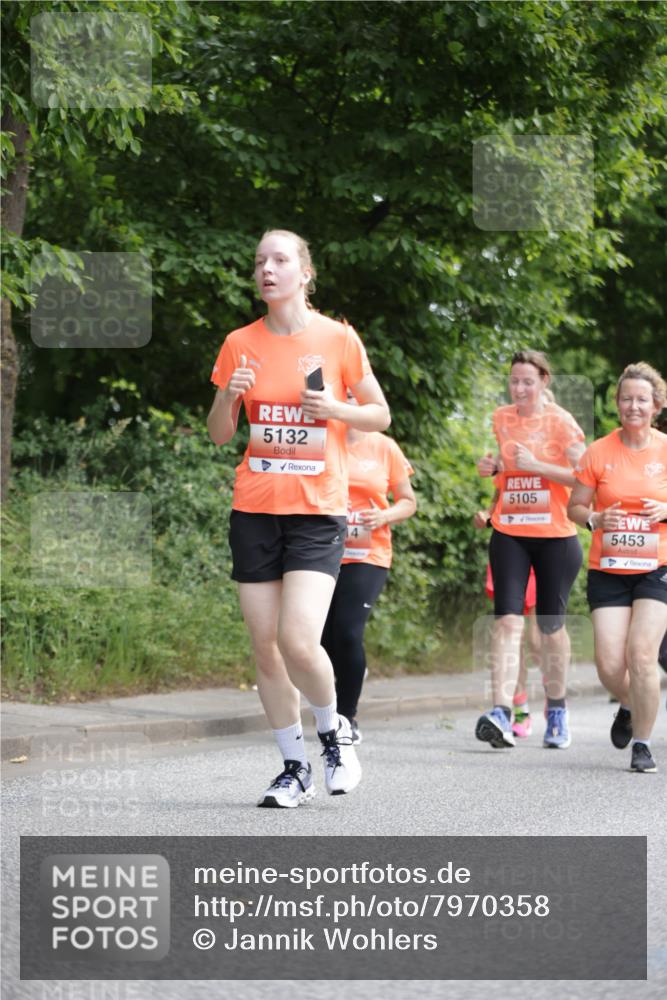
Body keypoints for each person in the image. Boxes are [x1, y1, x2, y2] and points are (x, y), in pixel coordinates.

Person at [207, 229, 390, 807]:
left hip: (316, 512)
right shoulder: (239, 343)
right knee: (265, 647)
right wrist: (227, 398)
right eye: (260, 259)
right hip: (256, 509)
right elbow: (219, 435)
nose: (267, 268)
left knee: (297, 639)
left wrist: (335, 408)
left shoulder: (337, 339)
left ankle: (335, 734)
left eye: (280, 259)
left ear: (304, 273)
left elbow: (379, 413)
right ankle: (293, 767)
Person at [474, 350, 586, 750]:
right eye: (514, 380)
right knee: (507, 621)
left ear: (544, 382)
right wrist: (495, 470)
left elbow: (584, 478)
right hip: (510, 531)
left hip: (555, 536)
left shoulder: (561, 422)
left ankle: (556, 709)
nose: (518, 388)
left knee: (550, 627)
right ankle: (501, 712)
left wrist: (538, 465)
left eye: (527, 381)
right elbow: (509, 472)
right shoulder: (502, 418)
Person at [568, 361, 667, 773]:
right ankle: (628, 703)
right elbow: (575, 505)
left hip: (656, 567)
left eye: (641, 399)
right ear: (617, 403)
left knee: (642, 654)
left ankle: (642, 744)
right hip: (608, 568)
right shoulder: (599, 452)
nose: (633, 405)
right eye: (626, 398)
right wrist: (594, 519)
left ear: (656, 405)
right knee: (610, 665)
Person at [321, 413, 416, 744]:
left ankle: (346, 717)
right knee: (320, 637)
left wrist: (385, 515)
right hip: (320, 550)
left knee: (347, 633)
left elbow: (408, 501)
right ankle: (349, 673)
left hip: (368, 553)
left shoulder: (384, 447)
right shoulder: (321, 439)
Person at [474, 499, 540, 738]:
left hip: (546, 549)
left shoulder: (558, 460)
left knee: (536, 641)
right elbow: (500, 498)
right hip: (512, 551)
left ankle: (556, 704)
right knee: (513, 632)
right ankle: (518, 708)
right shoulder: (508, 463)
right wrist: (486, 514)